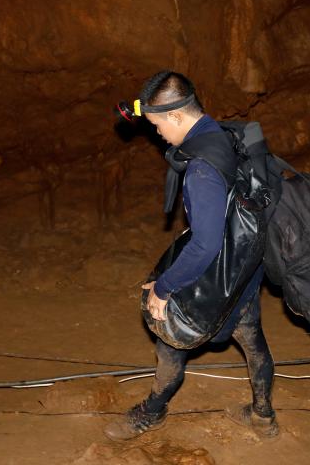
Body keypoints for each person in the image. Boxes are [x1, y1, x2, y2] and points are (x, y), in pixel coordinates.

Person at [104, 71, 278, 441]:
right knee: (252, 337)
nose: (157, 135)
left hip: (216, 273)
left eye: (156, 126)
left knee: (169, 341)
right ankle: (263, 415)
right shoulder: (226, 134)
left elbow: (205, 245)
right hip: (245, 266)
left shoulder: (200, 170)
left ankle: (152, 411)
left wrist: (164, 289)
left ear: (177, 117)